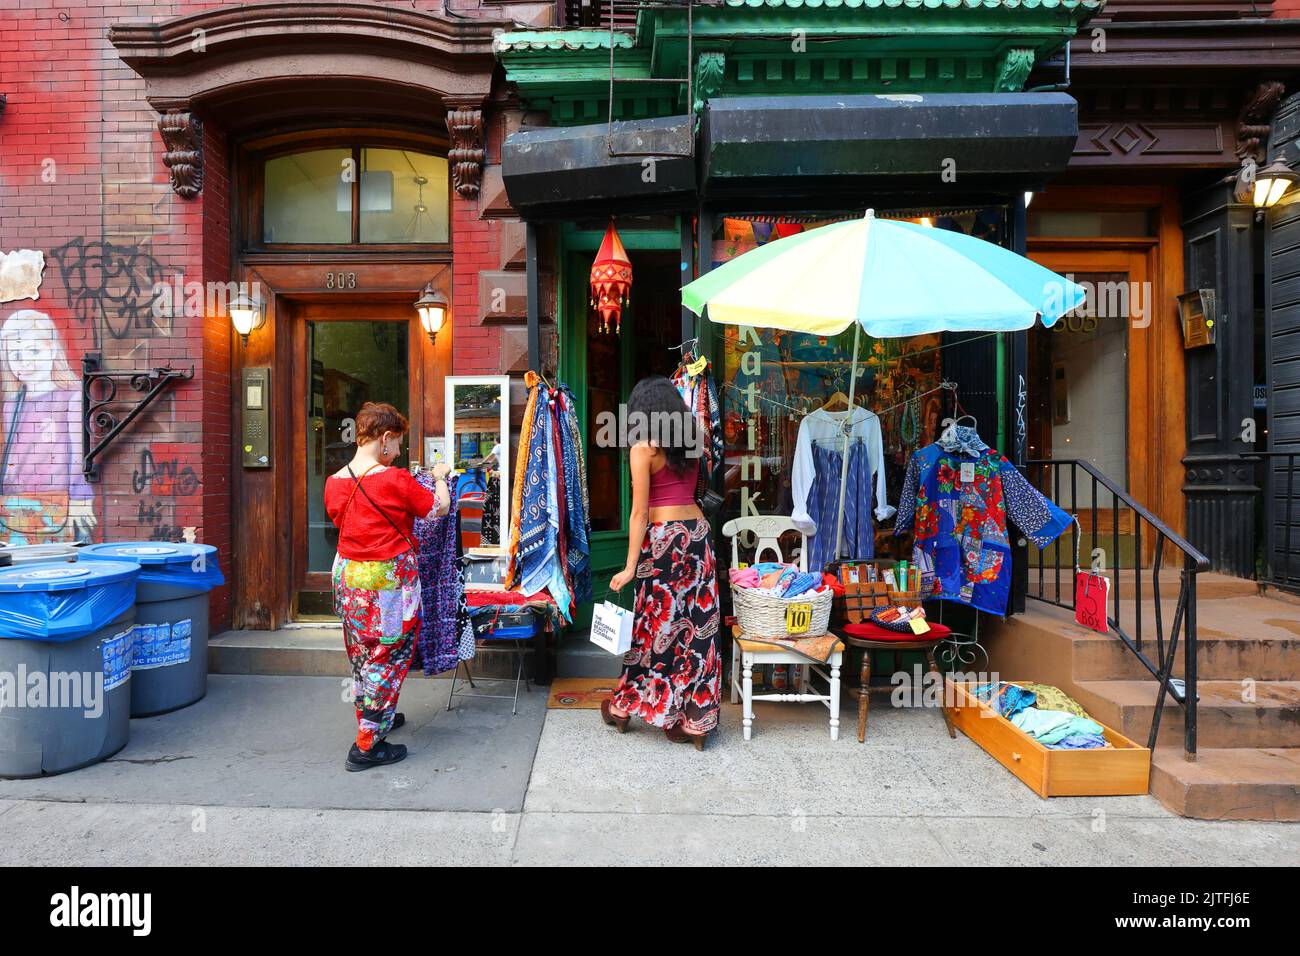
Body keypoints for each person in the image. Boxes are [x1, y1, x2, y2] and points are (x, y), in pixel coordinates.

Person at [324, 401, 450, 771]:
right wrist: (441, 476)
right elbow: (437, 509)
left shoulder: (333, 483)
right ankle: (367, 745)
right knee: (388, 656)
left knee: (362, 654)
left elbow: (341, 522)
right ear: (385, 439)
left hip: (348, 579)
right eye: (397, 445)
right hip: (388, 583)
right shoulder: (395, 480)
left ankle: (377, 715)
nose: (397, 453)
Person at [601, 377, 721, 750]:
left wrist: (628, 565)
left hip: (664, 538)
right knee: (697, 627)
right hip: (698, 534)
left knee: (654, 628)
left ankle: (624, 707)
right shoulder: (692, 441)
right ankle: (693, 720)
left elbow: (639, 513)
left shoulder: (643, 447)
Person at [0, 309, 97, 544]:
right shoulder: (12, 405)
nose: (26, 361)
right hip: (15, 510)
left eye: (34, 350)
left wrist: (81, 498)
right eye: (16, 355)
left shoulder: (72, 397)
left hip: (59, 507)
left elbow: (81, 454)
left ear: (52, 349)